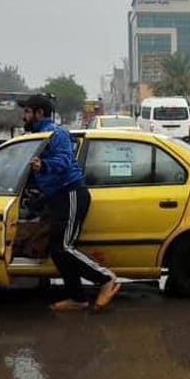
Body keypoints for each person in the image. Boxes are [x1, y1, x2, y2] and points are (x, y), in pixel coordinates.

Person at [21, 95, 121, 311]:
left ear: (39, 113)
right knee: (57, 251)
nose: (24, 116)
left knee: (64, 247)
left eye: (27, 111)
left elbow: (64, 160)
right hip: (56, 197)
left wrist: (43, 164)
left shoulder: (57, 134)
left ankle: (106, 280)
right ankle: (77, 298)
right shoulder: (36, 137)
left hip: (71, 193)